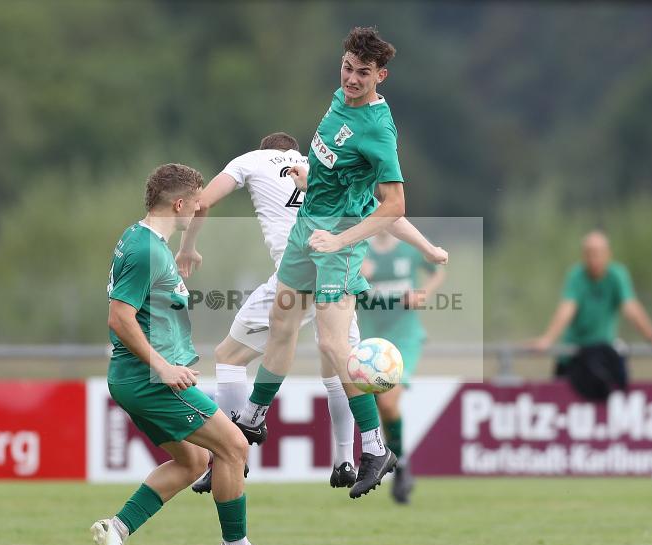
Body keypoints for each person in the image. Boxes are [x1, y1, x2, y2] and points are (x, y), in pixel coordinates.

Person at [233, 27, 448, 500]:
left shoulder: (378, 130)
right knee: (282, 322)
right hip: (307, 231)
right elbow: (336, 169)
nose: (351, 79)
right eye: (348, 68)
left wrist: (341, 240)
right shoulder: (338, 101)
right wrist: (314, 176)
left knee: (333, 345)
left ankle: (373, 449)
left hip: (340, 245)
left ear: (381, 77)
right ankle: (252, 418)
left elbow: (392, 206)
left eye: (363, 73)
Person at [176, 132, 450, 491]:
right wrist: (428, 248)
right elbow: (383, 213)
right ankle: (346, 460)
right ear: (294, 151)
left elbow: (203, 202)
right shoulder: (321, 167)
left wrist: (187, 247)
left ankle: (229, 455)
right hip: (338, 269)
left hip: (295, 274)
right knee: (339, 362)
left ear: (265, 151)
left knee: (229, 356)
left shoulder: (249, 161)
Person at [91, 163, 286, 545]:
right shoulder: (147, 251)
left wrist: (190, 243)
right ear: (178, 203)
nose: (201, 209)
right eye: (195, 203)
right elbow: (119, 318)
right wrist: (162, 365)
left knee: (194, 460)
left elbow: (193, 215)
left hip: (135, 378)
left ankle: (116, 531)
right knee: (235, 446)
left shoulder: (142, 237)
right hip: (150, 379)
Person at [358, 229, 446, 503]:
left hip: (403, 337)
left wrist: (423, 293)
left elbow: (438, 271)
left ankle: (400, 465)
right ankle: (401, 464)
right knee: (380, 404)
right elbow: (331, 280)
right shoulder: (358, 248)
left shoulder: (409, 248)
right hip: (369, 339)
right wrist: (356, 275)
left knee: (388, 402)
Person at [529, 230, 652, 391]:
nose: (594, 259)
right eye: (589, 254)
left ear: (608, 254)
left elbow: (631, 309)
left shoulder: (617, 275)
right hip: (572, 356)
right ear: (583, 256)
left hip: (601, 357)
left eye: (598, 253)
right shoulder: (576, 276)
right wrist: (548, 339)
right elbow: (567, 309)